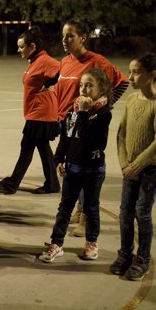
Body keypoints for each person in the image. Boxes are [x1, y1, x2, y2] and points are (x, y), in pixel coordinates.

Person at [52, 18, 129, 236]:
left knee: (84, 169)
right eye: (63, 35)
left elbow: (122, 82)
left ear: (83, 38)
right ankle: (78, 210)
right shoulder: (65, 61)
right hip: (68, 122)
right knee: (71, 168)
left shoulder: (97, 61)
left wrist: (103, 106)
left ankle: (86, 218)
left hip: (86, 123)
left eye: (70, 35)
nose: (65, 40)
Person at [39, 68, 113, 263]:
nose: (84, 89)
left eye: (89, 85)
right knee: (64, 208)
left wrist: (84, 113)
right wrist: (58, 159)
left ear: (101, 89)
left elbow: (93, 141)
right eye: (81, 85)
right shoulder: (72, 112)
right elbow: (65, 139)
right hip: (72, 169)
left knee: (91, 208)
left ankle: (91, 243)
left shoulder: (103, 114)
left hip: (92, 171)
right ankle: (57, 243)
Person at [110, 53, 156, 281]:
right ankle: (125, 253)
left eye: (136, 72)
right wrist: (125, 163)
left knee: (142, 213)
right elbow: (121, 133)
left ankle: (142, 259)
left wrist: (137, 165)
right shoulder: (132, 100)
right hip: (130, 170)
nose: (131, 77)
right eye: (130, 71)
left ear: (152, 75)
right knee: (125, 213)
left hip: (150, 169)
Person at [0, 27, 60, 195]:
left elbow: (61, 70)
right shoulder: (35, 61)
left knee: (27, 147)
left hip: (41, 112)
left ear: (33, 46)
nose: (19, 50)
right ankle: (52, 183)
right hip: (37, 112)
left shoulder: (44, 60)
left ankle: (12, 183)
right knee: (43, 148)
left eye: (22, 46)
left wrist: (50, 84)